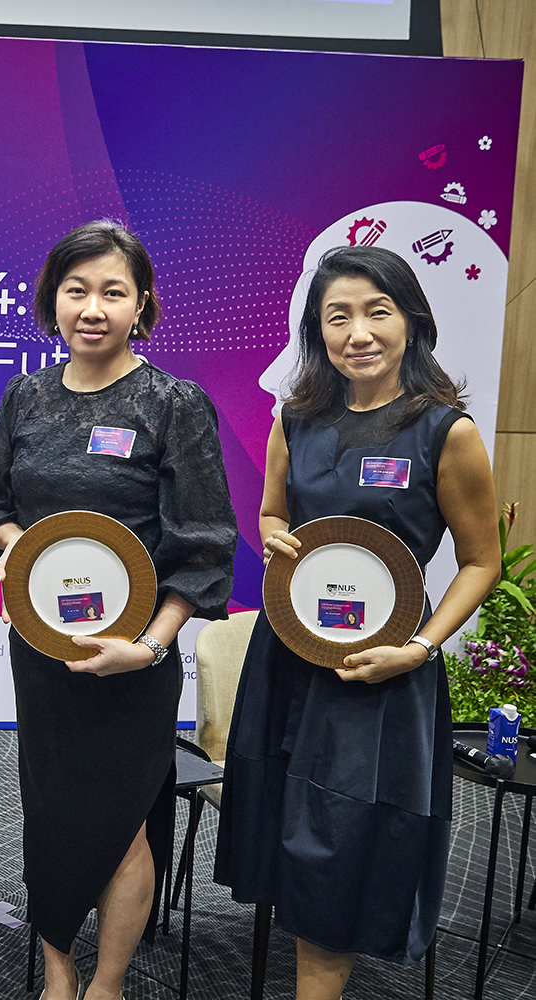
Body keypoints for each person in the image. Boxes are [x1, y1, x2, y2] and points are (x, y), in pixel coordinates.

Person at [215, 245, 499, 999]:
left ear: (412, 321)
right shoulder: (297, 419)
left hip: (381, 674)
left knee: (339, 850)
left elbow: (481, 562)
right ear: (318, 330)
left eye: (377, 312)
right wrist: (276, 534)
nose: (358, 332)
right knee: (287, 834)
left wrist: (419, 648)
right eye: (337, 316)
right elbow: (275, 510)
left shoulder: (447, 431)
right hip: (291, 654)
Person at [0, 221, 237, 1000]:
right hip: (46, 647)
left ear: (141, 304)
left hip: (133, 658)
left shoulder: (173, 404)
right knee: (52, 810)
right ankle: (59, 975)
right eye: (77, 290)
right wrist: (25, 548)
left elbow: (203, 543)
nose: (93, 308)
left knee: (123, 822)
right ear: (52, 300)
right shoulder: (26, 395)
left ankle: (108, 984)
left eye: (112, 292)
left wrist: (152, 648)